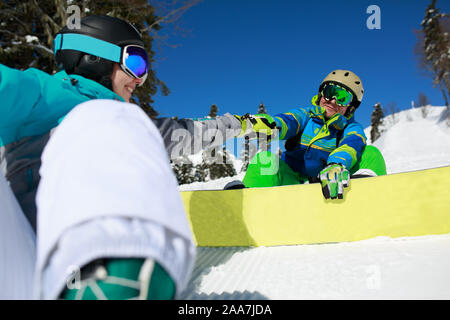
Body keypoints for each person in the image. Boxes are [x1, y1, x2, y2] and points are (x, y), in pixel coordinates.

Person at [0, 15, 245, 300]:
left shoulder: (130, 126)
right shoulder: (41, 94)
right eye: (136, 63)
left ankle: (117, 276)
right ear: (94, 57)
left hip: (56, 282)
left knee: (116, 115)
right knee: (104, 113)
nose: (139, 79)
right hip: (21, 269)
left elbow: (189, 133)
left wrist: (243, 123)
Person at [234, 70, 387, 199]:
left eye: (342, 98)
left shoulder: (351, 127)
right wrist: (265, 125)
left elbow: (352, 144)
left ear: (351, 108)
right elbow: (287, 121)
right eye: (329, 93)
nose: (332, 100)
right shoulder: (307, 115)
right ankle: (249, 202)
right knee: (265, 159)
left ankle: (368, 196)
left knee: (370, 153)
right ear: (321, 95)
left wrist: (336, 164)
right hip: (292, 181)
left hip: (331, 181)